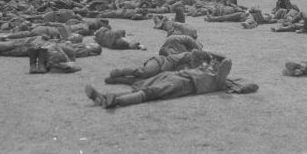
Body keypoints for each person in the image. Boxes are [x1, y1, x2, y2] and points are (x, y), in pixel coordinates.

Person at [85, 57, 234, 109]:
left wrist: (219, 62)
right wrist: (210, 62)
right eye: (212, 62)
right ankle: (102, 97)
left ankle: (115, 101)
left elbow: (227, 62)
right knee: (144, 86)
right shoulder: (205, 69)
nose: (212, 63)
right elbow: (197, 56)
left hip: (184, 84)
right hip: (174, 76)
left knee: (152, 92)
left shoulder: (219, 80)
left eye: (215, 63)